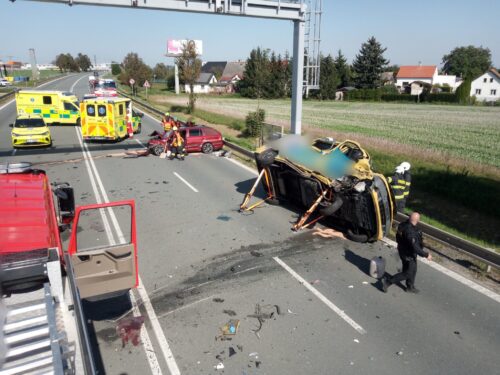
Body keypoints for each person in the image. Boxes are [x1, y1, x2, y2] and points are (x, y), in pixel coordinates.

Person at [381, 212, 432, 294]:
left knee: (413, 269)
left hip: (402, 250)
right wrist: (426, 255)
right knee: (408, 273)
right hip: (408, 254)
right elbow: (414, 246)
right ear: (417, 220)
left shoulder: (402, 224)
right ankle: (388, 281)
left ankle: (410, 286)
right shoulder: (410, 232)